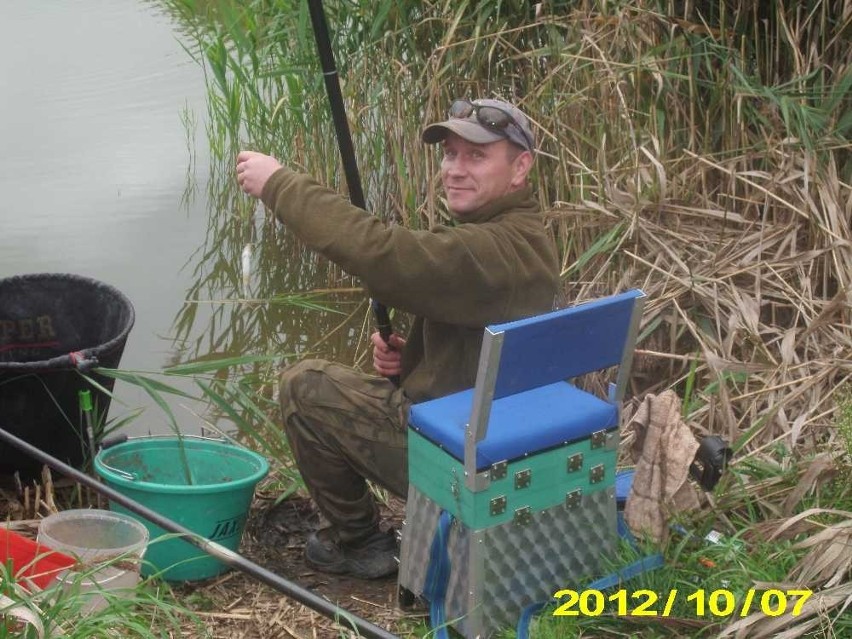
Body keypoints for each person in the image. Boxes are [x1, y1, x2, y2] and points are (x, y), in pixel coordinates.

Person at [236, 98, 560, 579]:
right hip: (501, 442)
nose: (454, 170)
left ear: (520, 168)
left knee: (305, 388)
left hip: (466, 464)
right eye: (450, 154)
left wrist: (280, 184)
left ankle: (362, 543)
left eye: (476, 156)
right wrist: (416, 363)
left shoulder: (493, 249)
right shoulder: (520, 238)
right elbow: (488, 351)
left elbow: (380, 254)